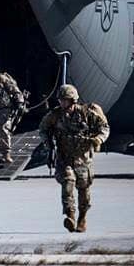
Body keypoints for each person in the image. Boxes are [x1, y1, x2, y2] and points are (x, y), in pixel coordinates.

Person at [38, 84, 109, 233]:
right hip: (65, 158)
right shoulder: (55, 115)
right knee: (67, 184)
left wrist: (98, 139)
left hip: (83, 158)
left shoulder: (87, 113)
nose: (63, 103)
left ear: (73, 100)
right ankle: (70, 215)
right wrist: (49, 145)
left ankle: (82, 217)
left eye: (66, 100)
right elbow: (43, 128)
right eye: (61, 100)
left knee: (83, 189)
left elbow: (104, 127)